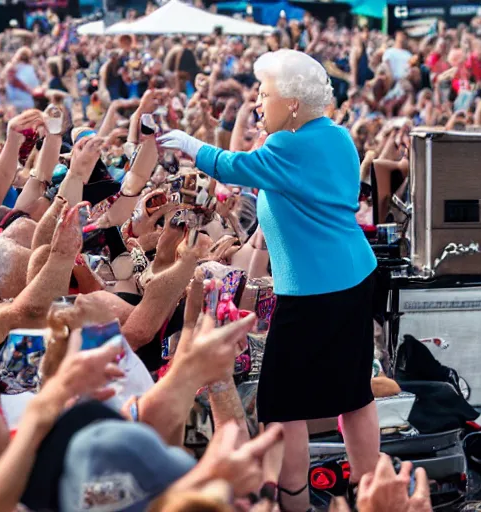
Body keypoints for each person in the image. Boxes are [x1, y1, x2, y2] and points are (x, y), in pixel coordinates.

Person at [159, 49, 379, 511]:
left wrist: (189, 144)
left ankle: (293, 504)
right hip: (352, 276)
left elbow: (233, 167)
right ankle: (372, 495)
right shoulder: (336, 136)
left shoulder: (288, 146)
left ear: (293, 102)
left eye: (265, 94)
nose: (259, 102)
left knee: (282, 406)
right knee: (354, 394)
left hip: (315, 289)